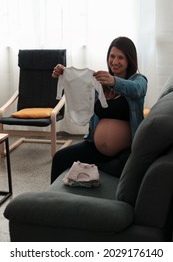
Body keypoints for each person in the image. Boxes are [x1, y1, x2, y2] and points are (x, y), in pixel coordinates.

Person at [51, 36, 148, 183]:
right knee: (60, 158)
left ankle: (92, 168)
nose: (115, 62)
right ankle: (52, 201)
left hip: (125, 151)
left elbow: (137, 89)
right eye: (112, 56)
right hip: (94, 147)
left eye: (120, 58)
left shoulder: (138, 80)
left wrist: (114, 81)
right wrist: (65, 74)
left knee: (125, 167)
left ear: (130, 60)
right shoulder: (100, 82)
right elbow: (80, 89)